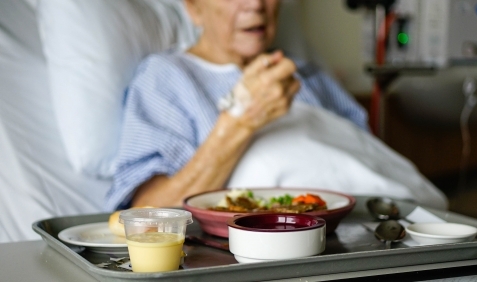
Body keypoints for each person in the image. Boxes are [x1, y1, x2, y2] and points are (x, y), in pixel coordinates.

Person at [106, 0, 447, 211]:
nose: (255, 4)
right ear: (193, 7)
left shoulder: (307, 74)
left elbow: (365, 159)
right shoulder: (167, 77)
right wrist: (242, 119)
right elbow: (145, 214)